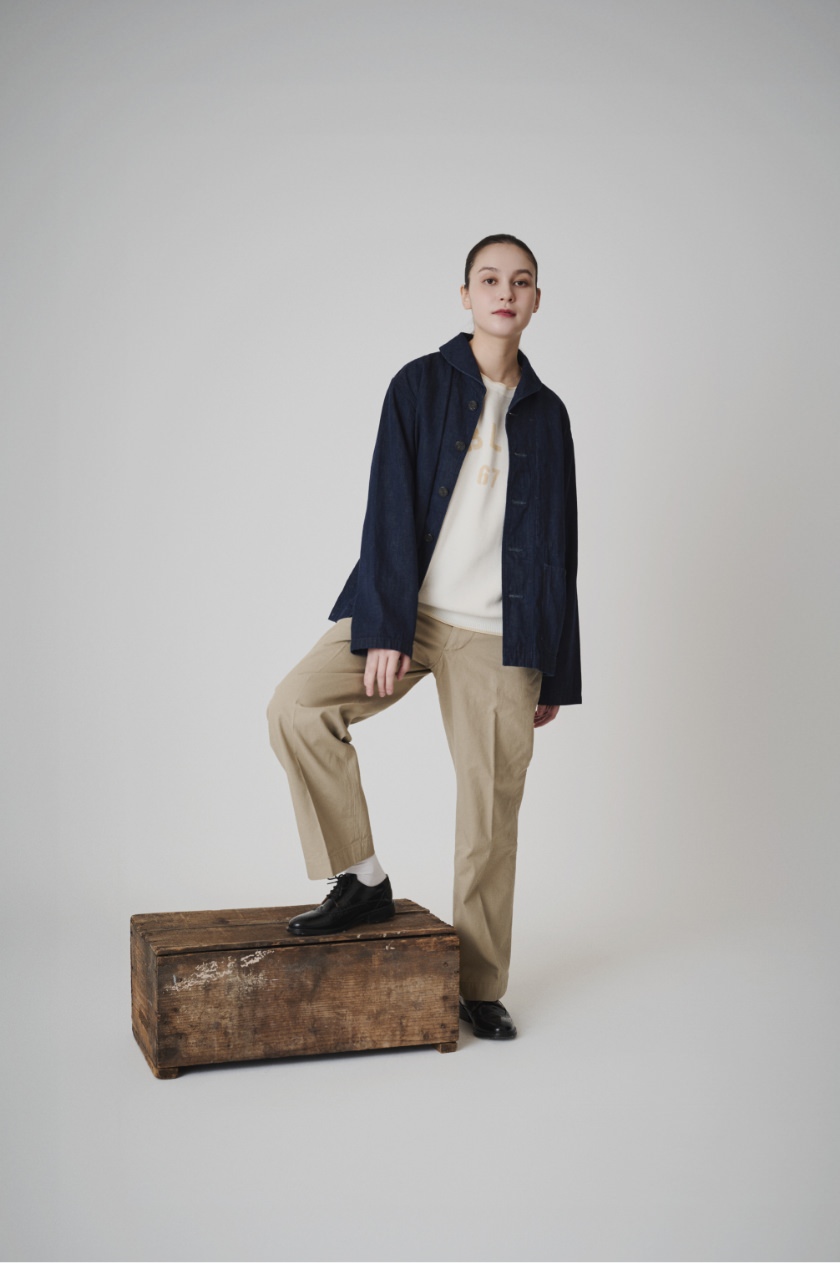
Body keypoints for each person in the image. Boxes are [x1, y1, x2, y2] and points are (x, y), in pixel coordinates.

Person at [267, 234, 581, 1040]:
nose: (505, 292)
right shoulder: (418, 384)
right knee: (297, 707)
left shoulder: (549, 416)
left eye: (521, 281)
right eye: (490, 279)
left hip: (503, 636)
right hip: (410, 612)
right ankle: (362, 876)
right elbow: (387, 509)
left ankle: (478, 983)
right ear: (466, 295)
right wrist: (386, 624)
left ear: (537, 300)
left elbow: (560, 547)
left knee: (490, 813)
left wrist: (554, 670)